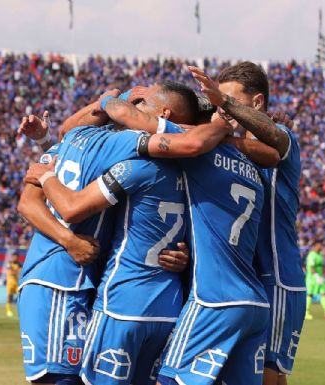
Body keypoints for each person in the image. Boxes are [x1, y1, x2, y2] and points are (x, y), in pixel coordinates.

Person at [98, 67, 282, 385]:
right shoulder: (253, 166)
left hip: (214, 299)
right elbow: (272, 152)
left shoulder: (198, 149)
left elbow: (134, 121)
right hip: (254, 303)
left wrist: (114, 99)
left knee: (168, 380)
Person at [23, 81, 201, 385]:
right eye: (136, 102)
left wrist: (179, 251)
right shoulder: (127, 146)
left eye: (142, 103)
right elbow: (28, 203)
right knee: (59, 379)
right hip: (58, 278)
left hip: (91, 282)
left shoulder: (79, 140)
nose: (136, 110)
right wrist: (69, 240)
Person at [199, 62, 307, 384]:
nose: (223, 107)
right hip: (244, 282)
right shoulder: (231, 149)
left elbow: (271, 136)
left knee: (268, 377)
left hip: (277, 277)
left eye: (230, 99)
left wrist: (223, 117)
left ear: (257, 102)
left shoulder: (283, 137)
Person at [305, 242, 325, 320]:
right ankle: (306, 313)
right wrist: (316, 276)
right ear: (315, 246)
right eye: (319, 245)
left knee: (323, 293)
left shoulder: (320, 254)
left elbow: (322, 266)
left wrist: (324, 276)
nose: (321, 246)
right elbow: (311, 267)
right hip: (312, 278)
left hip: (320, 277)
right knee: (310, 295)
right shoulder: (311, 255)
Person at [5, 252, 22, 317]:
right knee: (9, 297)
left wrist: (16, 272)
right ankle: (8, 311)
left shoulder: (19, 264)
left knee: (20, 297)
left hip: (16, 283)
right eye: (14, 257)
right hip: (10, 283)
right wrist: (16, 272)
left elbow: (19, 272)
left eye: (16, 257)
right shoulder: (9, 263)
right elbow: (11, 272)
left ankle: (20, 310)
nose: (15, 258)